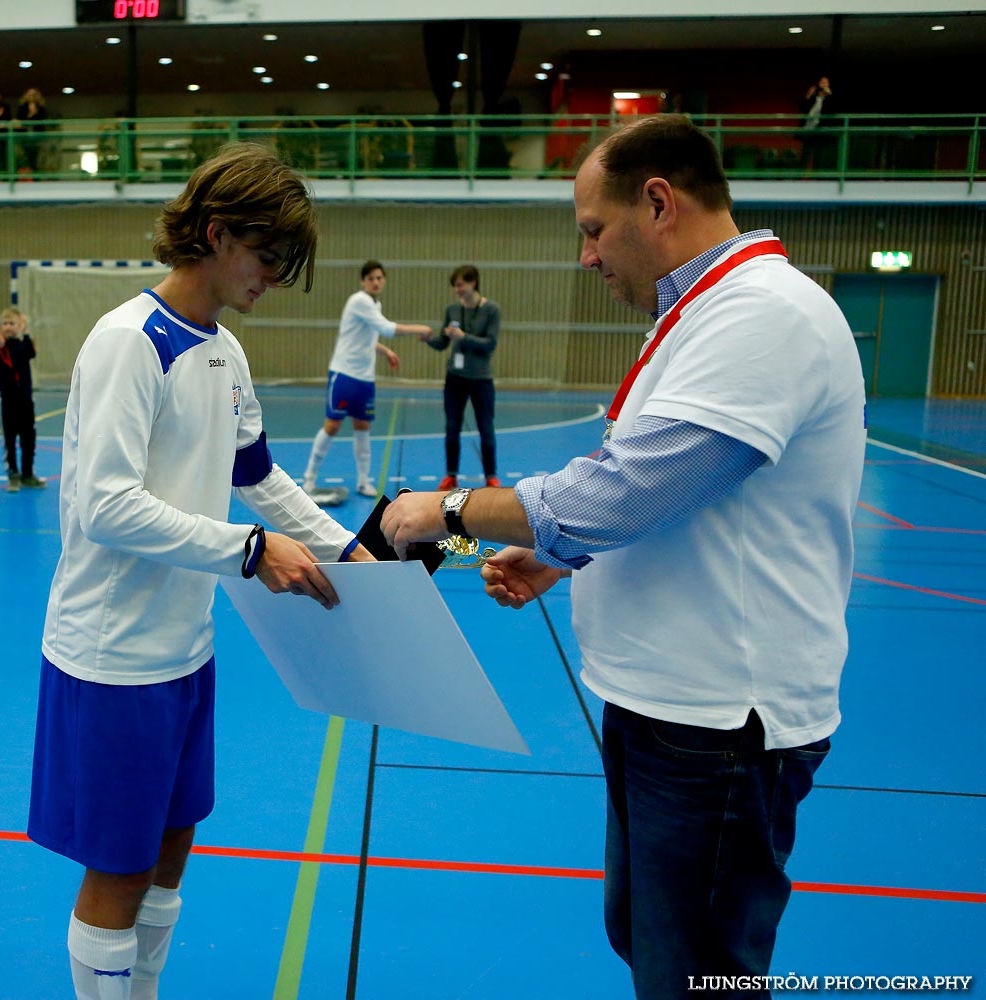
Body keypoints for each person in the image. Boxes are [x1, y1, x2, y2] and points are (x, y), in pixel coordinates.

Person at [380, 115, 866, 999]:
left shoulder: (765, 314)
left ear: (658, 202)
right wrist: (563, 558)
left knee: (696, 971)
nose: (587, 257)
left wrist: (443, 510)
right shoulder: (703, 314)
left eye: (593, 231)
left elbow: (625, 489)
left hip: (721, 722)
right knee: (647, 944)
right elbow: (682, 499)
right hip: (662, 707)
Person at [28, 141, 375, 1000]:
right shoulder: (127, 344)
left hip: (187, 649)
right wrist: (249, 553)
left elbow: (258, 476)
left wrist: (345, 549)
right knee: (119, 866)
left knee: (171, 852)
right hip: (113, 658)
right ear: (217, 234)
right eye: (268, 258)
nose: (274, 279)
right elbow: (103, 505)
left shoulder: (224, 352)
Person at [300, 260, 430, 497]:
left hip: (364, 379)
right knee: (332, 425)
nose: (376, 282)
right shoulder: (359, 300)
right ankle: (308, 479)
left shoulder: (374, 304)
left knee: (363, 427)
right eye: (371, 278)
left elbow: (368, 336)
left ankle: (363, 481)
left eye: (380, 278)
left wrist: (386, 352)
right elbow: (387, 328)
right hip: (344, 375)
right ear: (363, 282)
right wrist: (420, 329)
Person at [427, 264, 502, 491]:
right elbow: (443, 343)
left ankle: (490, 476)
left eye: (460, 285)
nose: (457, 289)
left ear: (473, 283)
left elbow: (490, 344)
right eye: (455, 286)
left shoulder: (491, 310)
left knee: (485, 428)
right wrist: (428, 337)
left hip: (481, 379)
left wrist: (464, 336)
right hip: (455, 379)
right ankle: (451, 475)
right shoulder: (452, 310)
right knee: (452, 427)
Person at [0, 307, 42, 493]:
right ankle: (13, 475)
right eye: (5, 324)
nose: (8, 327)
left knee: (28, 437)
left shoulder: (24, 345)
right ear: (0, 327)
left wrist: (26, 332)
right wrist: (2, 342)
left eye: (12, 323)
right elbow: (0, 361)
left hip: (25, 400)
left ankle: (27, 473)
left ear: (19, 326)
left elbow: (31, 353)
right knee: (9, 440)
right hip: (8, 401)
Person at [798, 76, 837, 174]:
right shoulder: (813, 98)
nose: (824, 84)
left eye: (826, 82)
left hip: (820, 132)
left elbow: (831, 111)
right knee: (804, 156)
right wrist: (808, 95)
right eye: (822, 82)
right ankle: (798, 177)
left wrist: (829, 96)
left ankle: (817, 178)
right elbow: (802, 108)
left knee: (818, 158)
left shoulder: (829, 100)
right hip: (808, 131)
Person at [16, 88, 49, 173]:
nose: (31, 97)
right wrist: (30, 114)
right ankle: (29, 175)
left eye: (34, 95)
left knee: (36, 157)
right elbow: (20, 120)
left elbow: (42, 121)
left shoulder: (41, 108)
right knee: (25, 157)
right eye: (29, 94)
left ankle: (35, 175)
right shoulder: (22, 107)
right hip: (24, 137)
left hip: (37, 136)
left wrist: (35, 114)